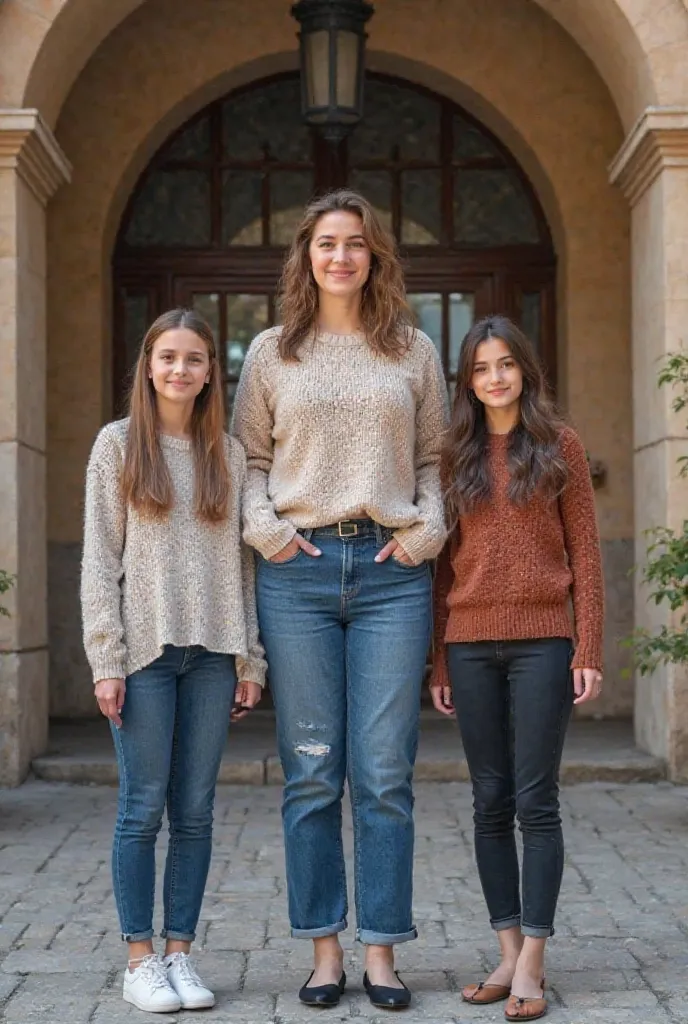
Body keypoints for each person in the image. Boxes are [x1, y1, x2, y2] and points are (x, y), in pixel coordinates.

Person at [233, 189, 449, 1011]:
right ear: (306, 255)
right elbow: (250, 459)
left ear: (374, 257)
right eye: (327, 243)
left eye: (355, 244)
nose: (341, 257)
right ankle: (325, 952)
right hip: (300, 574)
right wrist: (268, 533)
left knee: (386, 773)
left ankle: (384, 954)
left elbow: (435, 459)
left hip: (395, 572)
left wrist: (426, 533)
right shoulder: (270, 352)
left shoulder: (413, 351)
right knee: (313, 773)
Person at [81, 308, 266, 1014]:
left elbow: (244, 568)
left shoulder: (231, 452)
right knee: (140, 809)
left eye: (194, 358)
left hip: (214, 654)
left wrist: (251, 660)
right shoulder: (118, 445)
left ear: (211, 370)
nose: (180, 370)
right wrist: (107, 658)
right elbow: (101, 561)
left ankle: (181, 953)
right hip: (146, 656)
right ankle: (138, 958)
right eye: (168, 357)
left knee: (194, 812)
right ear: (148, 365)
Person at [430, 315, 604, 1021]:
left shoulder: (559, 445)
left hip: (543, 645)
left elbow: (587, 554)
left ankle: (533, 957)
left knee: (537, 800)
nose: (495, 377)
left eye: (506, 364)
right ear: (467, 382)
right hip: (470, 646)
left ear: (525, 370)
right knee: (488, 800)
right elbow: (443, 568)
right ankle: (505, 950)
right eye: (481, 368)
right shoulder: (455, 452)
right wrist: (439, 658)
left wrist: (586, 646)